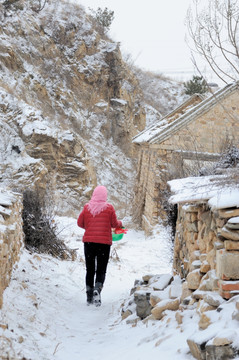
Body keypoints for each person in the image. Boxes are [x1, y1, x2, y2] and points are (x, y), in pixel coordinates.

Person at [77, 185, 122, 306]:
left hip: (89, 243)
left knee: (90, 269)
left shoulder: (87, 207)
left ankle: (89, 295)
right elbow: (114, 224)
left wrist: (89, 227)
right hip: (104, 244)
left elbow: (79, 223)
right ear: (105, 196)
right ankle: (97, 288)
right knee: (101, 269)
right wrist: (120, 224)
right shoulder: (109, 208)